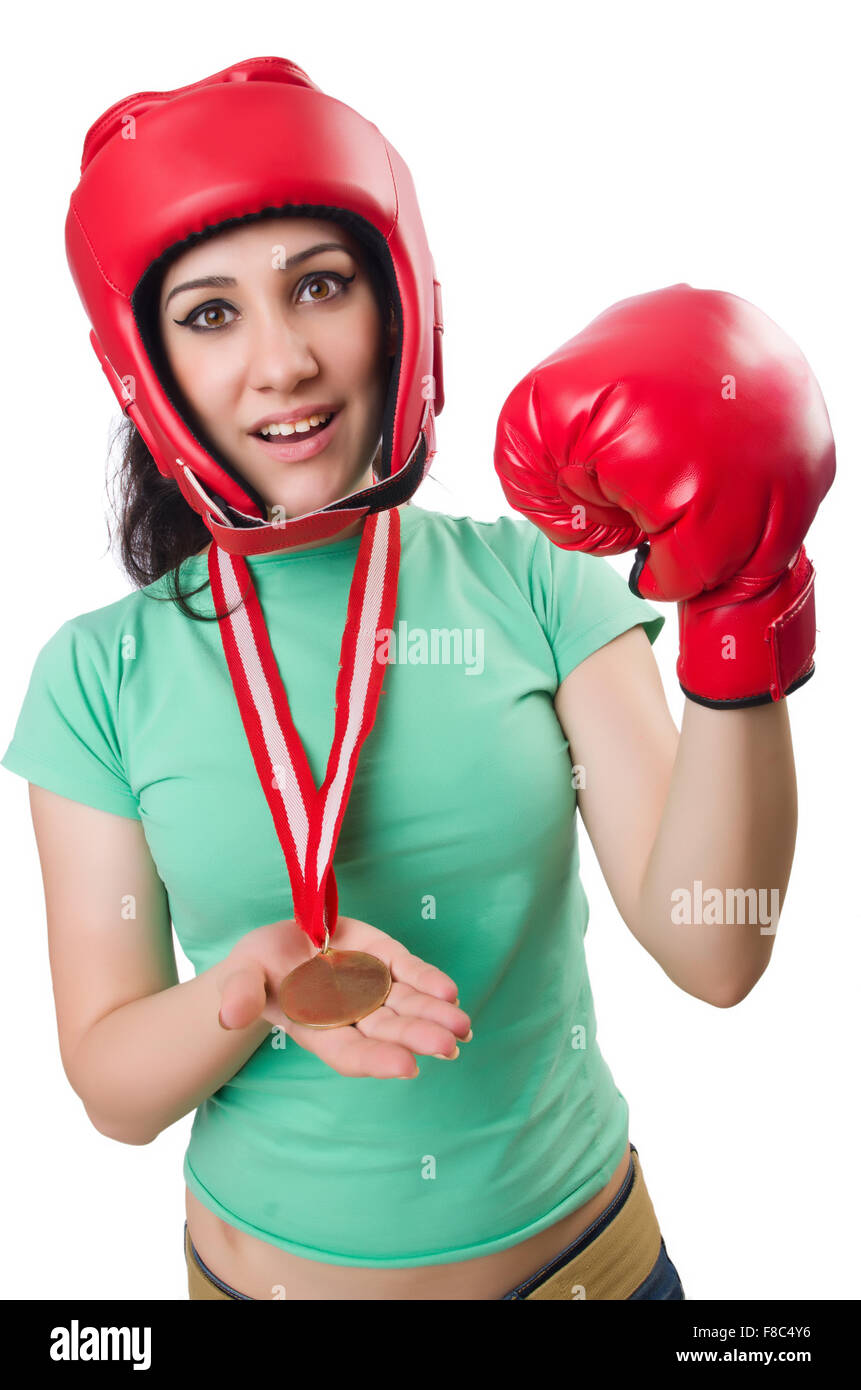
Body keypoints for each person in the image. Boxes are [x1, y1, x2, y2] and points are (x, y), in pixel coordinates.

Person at [5, 55, 831, 1303]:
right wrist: (255, 981)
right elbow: (113, 1089)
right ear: (148, 367)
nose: (280, 364)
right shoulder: (97, 673)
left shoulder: (538, 581)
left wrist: (740, 606)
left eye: (320, 285)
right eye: (212, 313)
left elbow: (715, 950)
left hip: (587, 1274)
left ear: (401, 304)